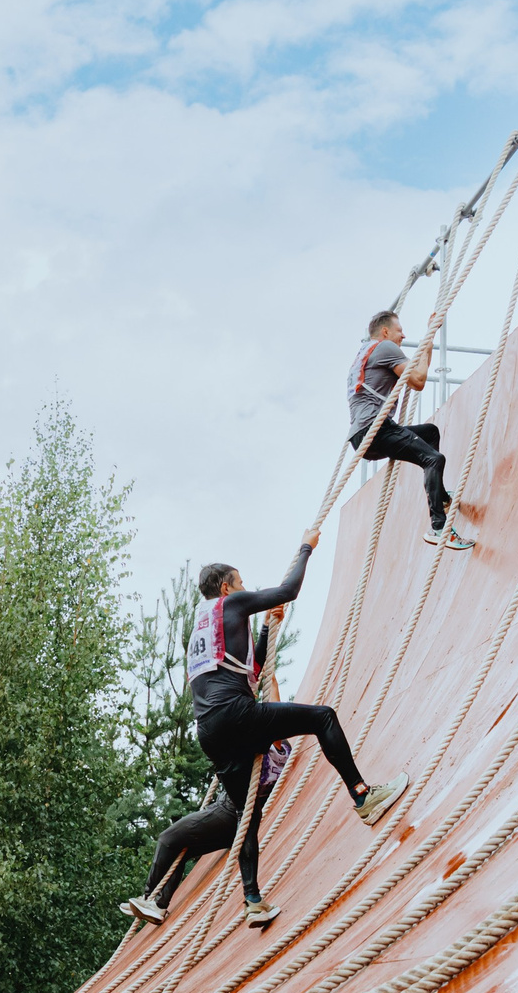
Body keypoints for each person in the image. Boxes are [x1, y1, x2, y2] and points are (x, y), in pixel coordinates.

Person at [189, 544, 409, 926]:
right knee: (323, 718)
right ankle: (362, 796)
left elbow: (249, 667)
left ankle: (253, 900)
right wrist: (307, 547)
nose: (244, 588)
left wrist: (264, 628)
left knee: (247, 815)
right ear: (226, 589)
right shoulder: (232, 606)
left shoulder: (198, 629)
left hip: (209, 731)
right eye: (240, 583)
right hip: (235, 714)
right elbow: (288, 589)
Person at [118, 742, 287, 925]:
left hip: (228, 812)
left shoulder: (265, 751)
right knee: (181, 850)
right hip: (236, 817)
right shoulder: (281, 750)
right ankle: (159, 905)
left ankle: (148, 896)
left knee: (168, 838)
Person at [350, 311, 476, 551]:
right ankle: (438, 527)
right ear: (385, 332)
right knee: (433, 458)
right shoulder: (385, 348)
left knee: (430, 433)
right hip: (375, 429)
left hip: (364, 434)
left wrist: (429, 337)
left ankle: (441, 497)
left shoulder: (364, 353)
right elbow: (418, 380)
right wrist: (429, 336)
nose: (403, 335)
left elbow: (416, 375)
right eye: (399, 330)